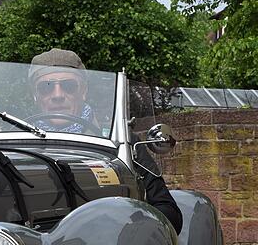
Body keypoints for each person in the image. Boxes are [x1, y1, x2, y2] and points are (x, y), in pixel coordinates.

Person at [29, 48, 183, 234]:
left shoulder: (119, 141)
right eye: (46, 87)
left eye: (68, 86)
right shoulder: (13, 145)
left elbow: (168, 211)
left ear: (83, 91)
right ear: (35, 95)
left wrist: (129, 227)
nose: (57, 95)